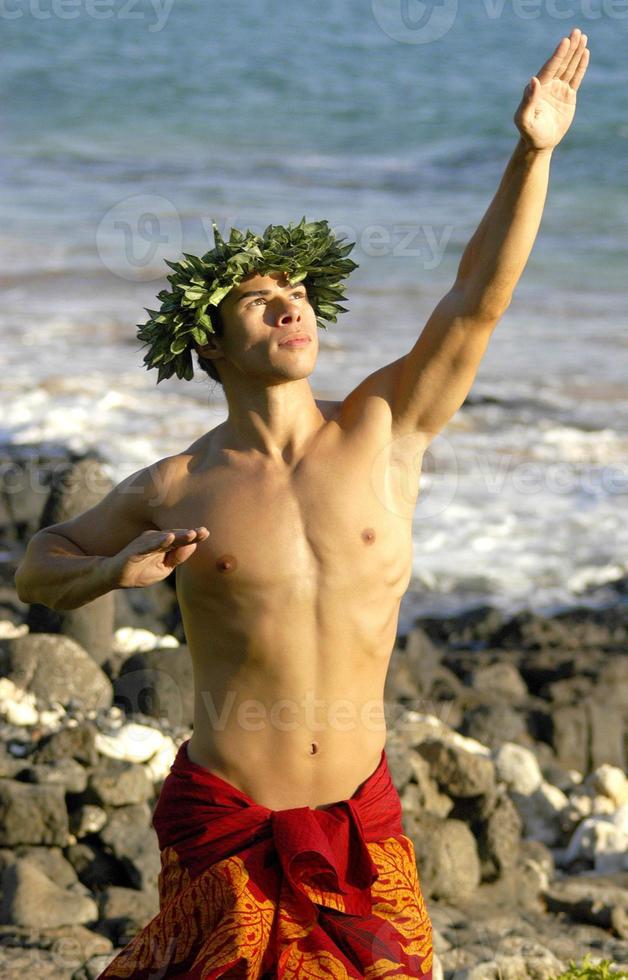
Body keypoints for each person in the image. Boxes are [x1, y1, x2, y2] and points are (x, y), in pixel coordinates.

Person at [15, 27, 590, 979]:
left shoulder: (385, 429)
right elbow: (40, 566)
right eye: (259, 300)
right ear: (211, 347)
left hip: (364, 827)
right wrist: (116, 570)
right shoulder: (175, 484)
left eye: (297, 292)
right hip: (231, 832)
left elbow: (476, 300)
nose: (289, 306)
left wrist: (532, 155)